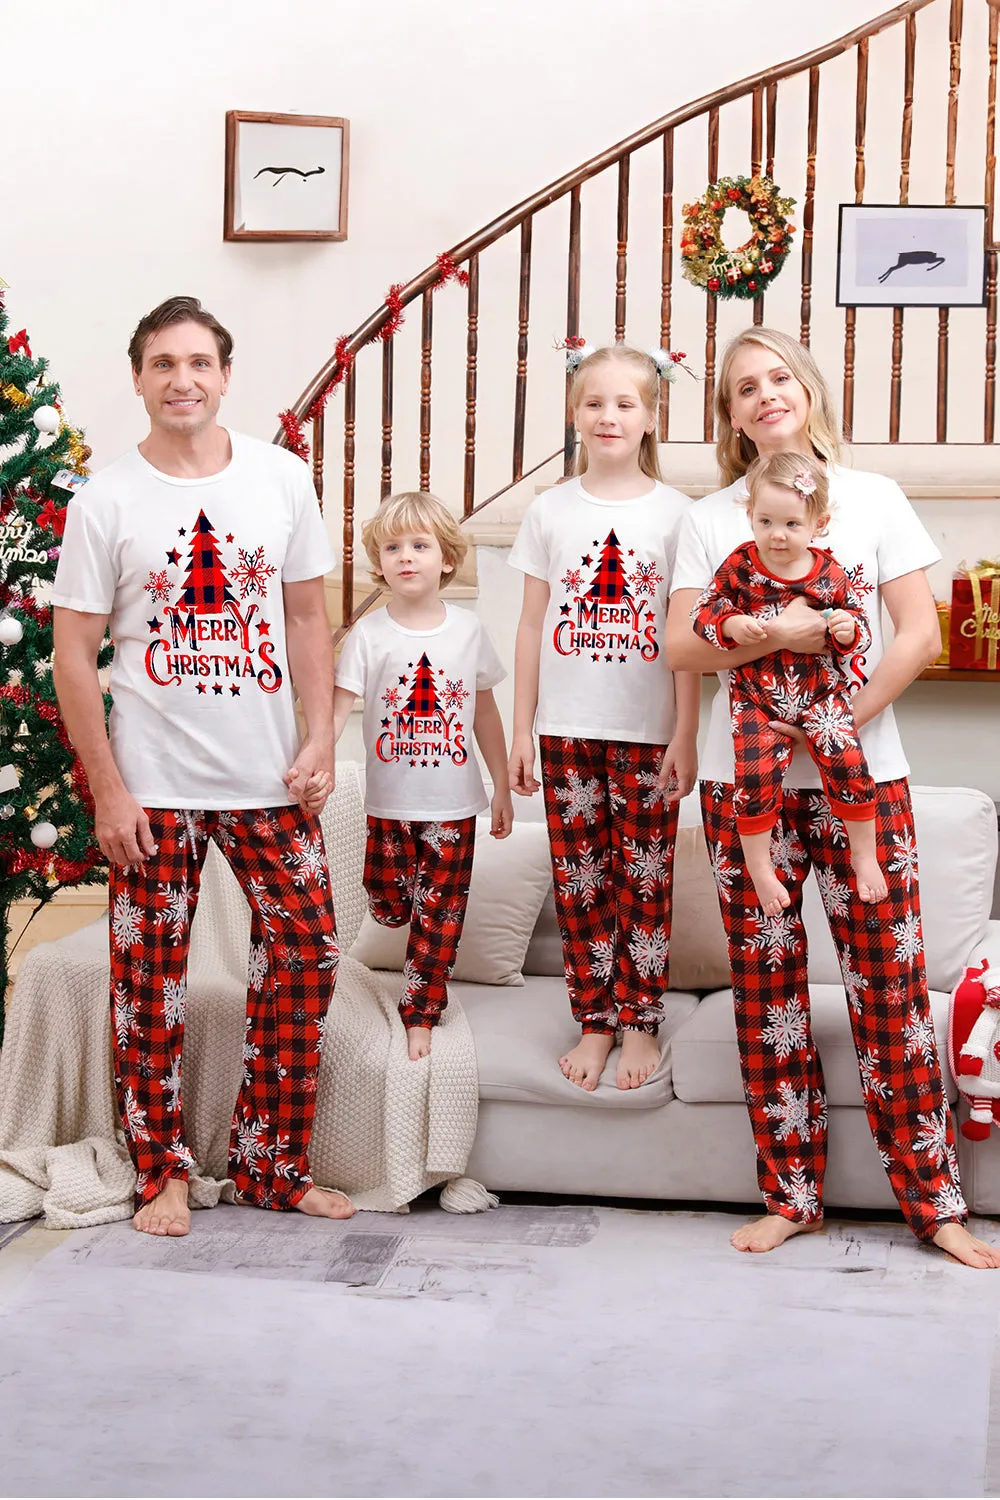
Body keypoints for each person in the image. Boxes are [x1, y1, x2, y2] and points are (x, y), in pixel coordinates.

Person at [667, 324, 1000, 1268]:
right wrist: (778, 631)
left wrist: (836, 721)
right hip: (748, 792)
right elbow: (685, 646)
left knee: (889, 995)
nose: (766, 396)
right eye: (743, 388)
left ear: (808, 390)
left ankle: (935, 1205)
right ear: (728, 416)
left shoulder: (873, 498)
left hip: (866, 787)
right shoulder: (711, 518)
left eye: (779, 379)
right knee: (769, 997)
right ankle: (791, 1196)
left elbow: (918, 635)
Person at [52, 295, 353, 1237]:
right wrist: (108, 787)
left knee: (307, 953)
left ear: (225, 376)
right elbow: (73, 655)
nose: (182, 380)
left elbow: (307, 616)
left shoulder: (279, 479)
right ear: (138, 378)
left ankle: (271, 1163)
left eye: (199, 363)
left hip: (269, 778)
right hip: (153, 789)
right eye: (162, 364)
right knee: (150, 986)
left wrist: (320, 736)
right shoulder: (106, 500)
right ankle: (161, 1175)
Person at [508, 344, 700, 1092]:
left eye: (626, 404)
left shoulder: (678, 516)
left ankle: (639, 1021)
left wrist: (685, 731)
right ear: (574, 414)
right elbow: (529, 627)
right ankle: (594, 1019)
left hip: (648, 731)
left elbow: (687, 638)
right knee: (580, 883)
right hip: (564, 732)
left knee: (644, 883)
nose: (609, 416)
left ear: (652, 418)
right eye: (595, 403)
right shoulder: (550, 510)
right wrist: (523, 729)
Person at [334, 491, 512, 1060]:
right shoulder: (368, 635)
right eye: (392, 547)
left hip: (453, 808)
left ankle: (422, 1011)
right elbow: (339, 707)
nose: (405, 557)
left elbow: (484, 710)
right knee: (389, 906)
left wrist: (501, 784)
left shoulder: (467, 630)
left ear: (446, 559)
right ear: (378, 561)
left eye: (419, 545)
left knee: (440, 917)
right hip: (387, 806)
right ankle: (393, 913)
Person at [691, 449, 887, 915]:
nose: (777, 535)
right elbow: (705, 610)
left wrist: (845, 631)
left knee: (847, 757)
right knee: (754, 777)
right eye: (765, 522)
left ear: (819, 522)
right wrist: (730, 625)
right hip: (757, 699)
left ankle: (863, 854)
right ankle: (760, 867)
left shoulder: (830, 573)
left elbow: (858, 628)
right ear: (750, 517)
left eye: (792, 525)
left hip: (819, 694)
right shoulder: (740, 566)